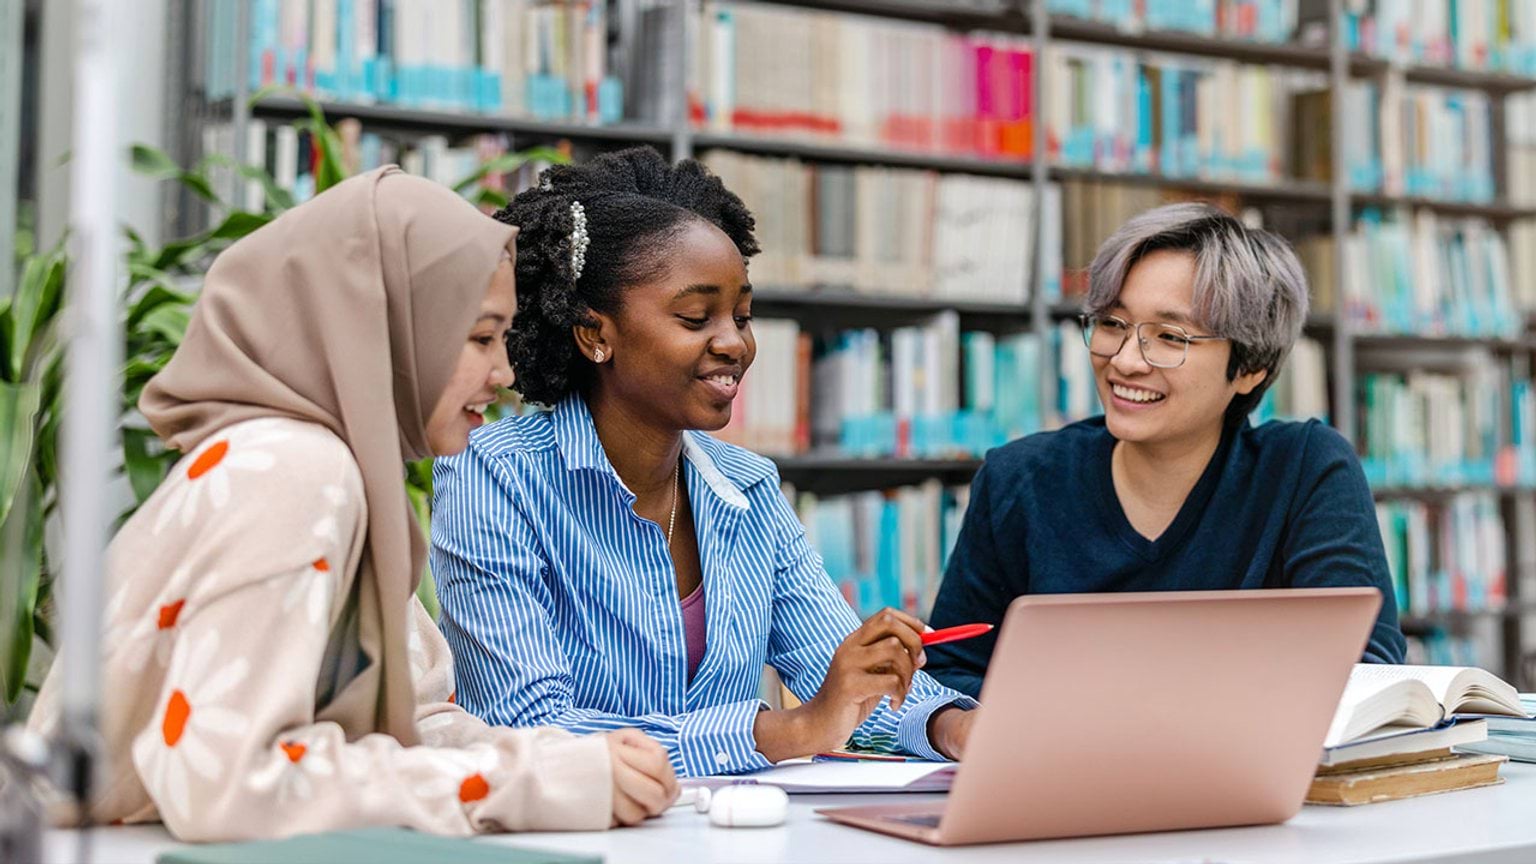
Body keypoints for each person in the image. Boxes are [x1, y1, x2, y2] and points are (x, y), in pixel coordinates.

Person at [25, 167, 677, 841]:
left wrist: (567, 763)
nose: (503, 373)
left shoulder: (342, 475)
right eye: (481, 337)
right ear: (383, 328)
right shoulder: (295, 469)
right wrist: (530, 783)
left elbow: (410, 727)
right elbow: (230, 784)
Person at [430, 147, 978, 777]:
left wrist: (952, 726)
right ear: (595, 334)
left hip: (734, 824)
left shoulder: (748, 488)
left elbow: (841, 679)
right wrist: (787, 729)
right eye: (696, 318)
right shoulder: (493, 476)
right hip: (584, 824)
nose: (734, 343)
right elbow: (530, 729)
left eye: (742, 316)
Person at [922, 203, 1407, 699]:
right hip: (1055, 752)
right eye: (1113, 323)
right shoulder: (1019, 478)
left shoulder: (1305, 468)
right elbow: (948, 670)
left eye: (1170, 337)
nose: (1125, 361)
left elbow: (1365, 668)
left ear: (1250, 368)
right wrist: (959, 723)